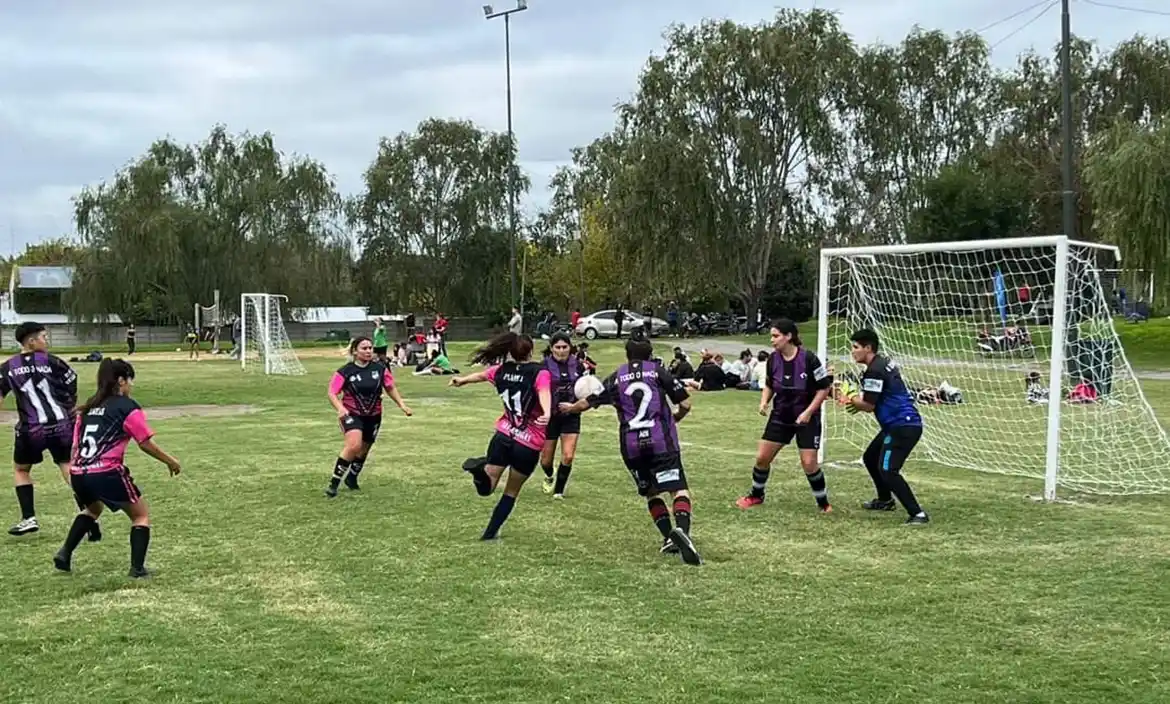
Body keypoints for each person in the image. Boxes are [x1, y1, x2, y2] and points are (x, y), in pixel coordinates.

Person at [559, 333, 701, 566]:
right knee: (678, 489)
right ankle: (682, 532)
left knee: (651, 492)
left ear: (627, 354)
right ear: (650, 354)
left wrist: (570, 409)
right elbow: (685, 402)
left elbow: (588, 402)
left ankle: (668, 537)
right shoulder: (657, 371)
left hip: (632, 447)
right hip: (660, 442)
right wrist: (676, 417)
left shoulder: (617, 377)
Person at [54, 358, 181, 578]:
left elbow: (75, 445)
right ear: (121, 381)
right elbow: (144, 442)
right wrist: (170, 460)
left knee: (92, 509)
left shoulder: (87, 408)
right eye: (130, 381)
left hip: (79, 471)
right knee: (140, 516)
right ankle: (137, 569)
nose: (131, 386)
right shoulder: (127, 407)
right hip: (106, 471)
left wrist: (78, 478)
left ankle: (64, 553)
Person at [1, 322, 100, 539]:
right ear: (31, 341)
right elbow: (71, 381)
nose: (47, 341)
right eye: (44, 337)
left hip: (30, 429)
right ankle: (89, 515)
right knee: (67, 467)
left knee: (21, 470)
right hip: (61, 426)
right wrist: (67, 404)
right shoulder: (52, 361)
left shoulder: (9, 366)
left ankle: (29, 518)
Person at [450, 332, 551, 540]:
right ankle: (489, 533)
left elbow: (480, 375)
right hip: (528, 443)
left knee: (487, 488)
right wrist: (547, 412)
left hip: (503, 436)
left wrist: (462, 380)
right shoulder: (540, 372)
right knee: (511, 491)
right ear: (531, 350)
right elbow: (544, 392)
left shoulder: (501, 371)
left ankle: (480, 472)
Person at [736, 319, 833, 513]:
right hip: (781, 415)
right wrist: (764, 401)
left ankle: (823, 503)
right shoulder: (773, 359)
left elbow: (824, 388)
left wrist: (808, 412)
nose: (772, 340)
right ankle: (756, 495)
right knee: (762, 458)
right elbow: (770, 384)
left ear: (788, 337)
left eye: (775, 336)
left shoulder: (809, 359)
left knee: (809, 463)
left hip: (806, 417)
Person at [835, 328, 929, 525]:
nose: (852, 352)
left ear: (868, 348)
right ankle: (885, 500)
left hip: (901, 426)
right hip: (899, 424)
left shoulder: (874, 370)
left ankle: (917, 513)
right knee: (871, 457)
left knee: (888, 470)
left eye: (855, 347)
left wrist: (849, 397)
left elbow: (868, 406)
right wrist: (855, 400)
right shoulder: (883, 362)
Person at [326, 336, 413, 497]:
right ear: (354, 351)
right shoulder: (345, 371)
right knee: (354, 445)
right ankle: (334, 483)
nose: (368, 351)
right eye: (364, 348)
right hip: (351, 414)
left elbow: (390, 387)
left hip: (373, 415)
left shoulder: (379, 369)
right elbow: (332, 392)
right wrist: (340, 408)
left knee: (364, 450)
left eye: (370, 348)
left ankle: (352, 478)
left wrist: (402, 405)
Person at [539, 332, 583, 499]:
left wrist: (575, 406)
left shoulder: (579, 366)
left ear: (570, 348)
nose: (561, 350)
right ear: (551, 349)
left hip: (571, 416)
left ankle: (558, 491)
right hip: (550, 417)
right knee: (545, 461)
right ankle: (550, 475)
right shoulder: (543, 367)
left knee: (568, 455)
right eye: (558, 347)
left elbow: (587, 389)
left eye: (565, 347)